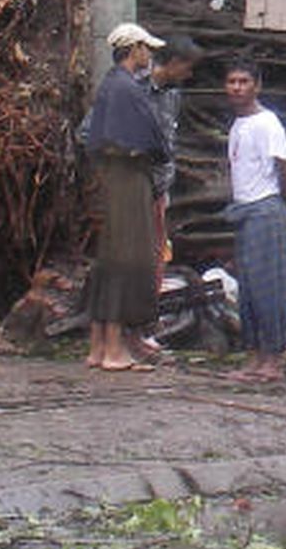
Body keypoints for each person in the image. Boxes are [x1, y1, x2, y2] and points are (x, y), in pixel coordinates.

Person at [83, 23, 172, 372]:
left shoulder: (111, 85)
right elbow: (145, 141)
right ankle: (115, 350)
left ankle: (98, 345)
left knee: (109, 258)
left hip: (113, 178)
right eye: (145, 48)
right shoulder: (127, 89)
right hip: (129, 179)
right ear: (133, 48)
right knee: (129, 257)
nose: (149, 55)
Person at [225, 59, 286, 383]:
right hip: (244, 210)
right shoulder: (238, 125)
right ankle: (254, 357)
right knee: (249, 289)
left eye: (244, 81)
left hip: (265, 209)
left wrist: (285, 211)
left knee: (270, 288)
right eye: (232, 82)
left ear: (257, 85)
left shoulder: (268, 123)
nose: (237, 87)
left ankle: (274, 359)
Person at [137, 34, 203, 356]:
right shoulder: (133, 89)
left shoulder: (172, 96)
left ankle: (147, 328)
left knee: (157, 259)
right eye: (187, 68)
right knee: (134, 260)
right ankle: (130, 329)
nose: (188, 76)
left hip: (162, 189)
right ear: (174, 63)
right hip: (136, 188)